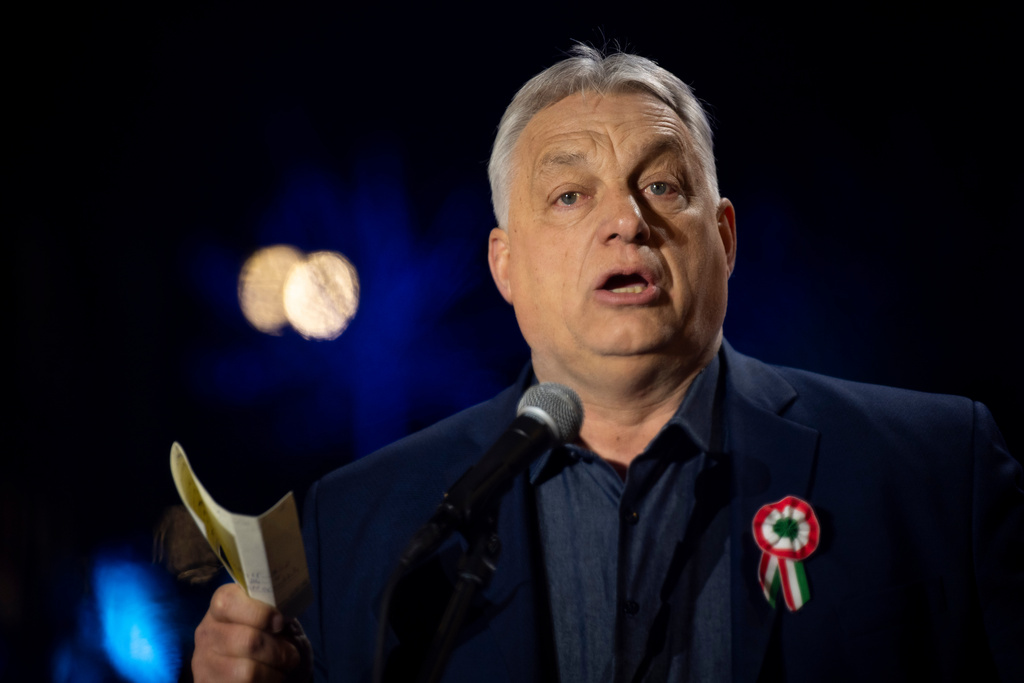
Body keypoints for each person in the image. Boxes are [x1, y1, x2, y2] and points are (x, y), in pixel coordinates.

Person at [191, 46, 1023, 682]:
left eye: (661, 187)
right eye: (570, 195)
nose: (626, 220)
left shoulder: (935, 471)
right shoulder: (358, 523)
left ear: (725, 239)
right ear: (505, 265)